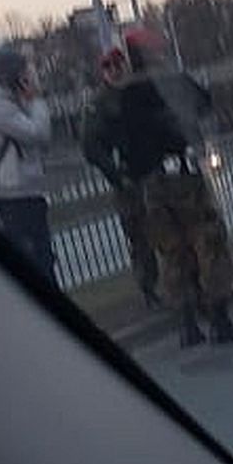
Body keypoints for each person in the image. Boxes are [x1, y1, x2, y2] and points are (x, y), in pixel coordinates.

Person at [114, 28, 233, 347]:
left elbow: (123, 143)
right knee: (210, 241)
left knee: (172, 253)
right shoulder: (169, 80)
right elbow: (203, 102)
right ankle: (219, 319)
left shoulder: (125, 93)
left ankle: (187, 325)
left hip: (151, 186)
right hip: (183, 177)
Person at [0, 46, 56, 284]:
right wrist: (36, 100)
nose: (28, 78)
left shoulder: (5, 102)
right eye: (24, 73)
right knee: (38, 261)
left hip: (25, 191)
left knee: (43, 258)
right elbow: (39, 133)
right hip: (14, 195)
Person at [83, 48, 162, 308]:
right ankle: (149, 289)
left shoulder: (139, 91)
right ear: (103, 71)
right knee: (140, 238)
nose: (115, 70)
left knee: (167, 230)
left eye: (118, 64)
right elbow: (90, 146)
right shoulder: (99, 103)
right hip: (128, 178)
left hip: (153, 170)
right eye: (108, 66)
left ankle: (181, 285)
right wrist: (115, 174)